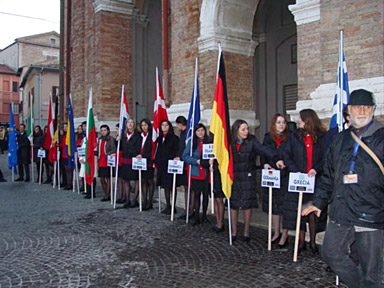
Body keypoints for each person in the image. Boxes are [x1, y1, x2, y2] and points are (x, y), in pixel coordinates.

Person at [302, 89, 383, 288]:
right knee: (330, 253)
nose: (362, 111)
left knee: (372, 271)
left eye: (366, 107)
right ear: (349, 111)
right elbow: (329, 175)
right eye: (357, 107)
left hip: (370, 213)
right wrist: (319, 201)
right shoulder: (340, 139)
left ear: (373, 110)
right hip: (342, 209)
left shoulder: (382, 138)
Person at [230, 119, 284, 243]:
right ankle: (233, 231)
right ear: (236, 130)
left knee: (247, 204)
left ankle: (246, 232)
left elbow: (264, 150)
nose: (246, 131)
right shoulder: (230, 143)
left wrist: (276, 159)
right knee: (234, 204)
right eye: (243, 129)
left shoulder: (252, 141)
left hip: (248, 177)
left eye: (247, 129)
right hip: (234, 177)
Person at [282, 109, 326, 254]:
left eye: (300, 119)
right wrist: (295, 170)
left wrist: (316, 169)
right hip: (299, 180)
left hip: (314, 180)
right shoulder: (294, 137)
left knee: (311, 211)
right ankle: (301, 242)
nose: (298, 121)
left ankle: (312, 241)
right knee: (299, 210)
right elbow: (287, 155)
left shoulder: (321, 137)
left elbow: (325, 159)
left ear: (308, 120)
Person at [260, 114, 290, 247]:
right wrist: (265, 164)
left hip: (285, 176)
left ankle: (285, 234)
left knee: (285, 206)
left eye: (283, 122)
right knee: (274, 206)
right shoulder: (268, 137)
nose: (281, 125)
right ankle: (276, 231)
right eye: (278, 122)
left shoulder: (290, 138)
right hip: (272, 175)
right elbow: (263, 153)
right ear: (274, 124)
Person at [182, 123, 210, 226]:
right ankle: (196, 216)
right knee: (197, 195)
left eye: (202, 130)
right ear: (195, 132)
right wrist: (196, 161)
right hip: (196, 172)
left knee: (206, 195)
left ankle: (204, 216)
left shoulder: (209, 142)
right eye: (198, 131)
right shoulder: (191, 142)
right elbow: (184, 156)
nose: (200, 132)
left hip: (207, 173)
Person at [154, 120, 179, 215]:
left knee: (172, 186)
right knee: (165, 186)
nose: (164, 127)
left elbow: (176, 150)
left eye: (166, 125)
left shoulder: (174, 138)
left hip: (170, 164)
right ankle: (168, 205)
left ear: (169, 127)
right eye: (162, 125)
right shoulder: (159, 138)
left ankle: (173, 206)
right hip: (162, 166)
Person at [118, 118, 140, 208]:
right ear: (126, 124)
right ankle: (127, 199)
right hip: (125, 160)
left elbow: (139, 147)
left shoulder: (138, 135)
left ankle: (134, 200)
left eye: (132, 122)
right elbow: (120, 148)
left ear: (134, 124)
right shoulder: (123, 135)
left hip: (134, 160)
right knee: (126, 180)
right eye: (128, 123)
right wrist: (117, 140)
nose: (130, 124)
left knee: (136, 180)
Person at [135, 118, 155, 210]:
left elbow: (152, 148)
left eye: (145, 125)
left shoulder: (152, 136)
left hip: (149, 161)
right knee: (143, 180)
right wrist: (138, 154)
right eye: (142, 125)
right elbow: (136, 146)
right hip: (140, 161)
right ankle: (144, 200)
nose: (144, 127)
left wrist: (144, 156)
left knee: (149, 180)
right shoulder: (139, 136)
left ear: (149, 126)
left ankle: (150, 201)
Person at [175, 116, 191, 220]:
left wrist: (180, 156)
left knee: (188, 188)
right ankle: (187, 209)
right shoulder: (182, 133)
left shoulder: (188, 133)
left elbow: (185, 149)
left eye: (177, 124)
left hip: (187, 163)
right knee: (185, 187)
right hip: (182, 163)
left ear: (180, 124)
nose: (177, 126)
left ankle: (189, 209)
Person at [97, 124, 116, 201]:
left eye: (105, 130)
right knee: (102, 179)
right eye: (101, 130)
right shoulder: (100, 139)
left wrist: (107, 154)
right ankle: (106, 193)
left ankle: (108, 194)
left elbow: (114, 149)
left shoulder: (111, 139)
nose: (103, 132)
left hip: (107, 160)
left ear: (108, 131)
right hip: (100, 161)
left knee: (108, 178)